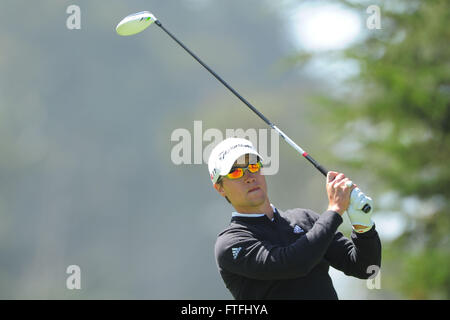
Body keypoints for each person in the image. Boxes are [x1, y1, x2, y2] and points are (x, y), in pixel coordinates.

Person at [208, 137, 382, 300]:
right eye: (236, 172)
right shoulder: (231, 243)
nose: (249, 177)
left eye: (253, 166)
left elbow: (366, 269)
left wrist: (363, 227)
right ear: (220, 188)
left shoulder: (304, 219)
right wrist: (335, 210)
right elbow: (291, 264)